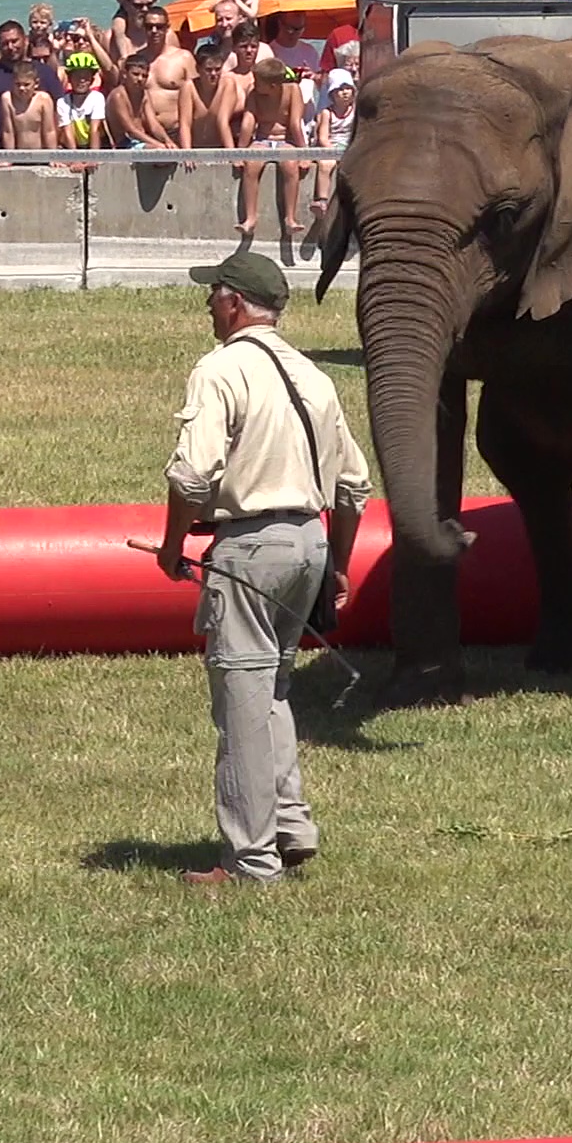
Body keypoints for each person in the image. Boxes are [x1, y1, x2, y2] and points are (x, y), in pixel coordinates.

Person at [153, 250, 368, 888]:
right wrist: (339, 564)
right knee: (272, 690)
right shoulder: (315, 377)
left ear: (235, 303)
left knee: (241, 704)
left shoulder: (221, 370)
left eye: (213, 293)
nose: (207, 304)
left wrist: (171, 546)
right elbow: (354, 486)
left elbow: (191, 474)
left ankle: (250, 860)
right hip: (310, 543)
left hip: (250, 547)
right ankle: (291, 826)